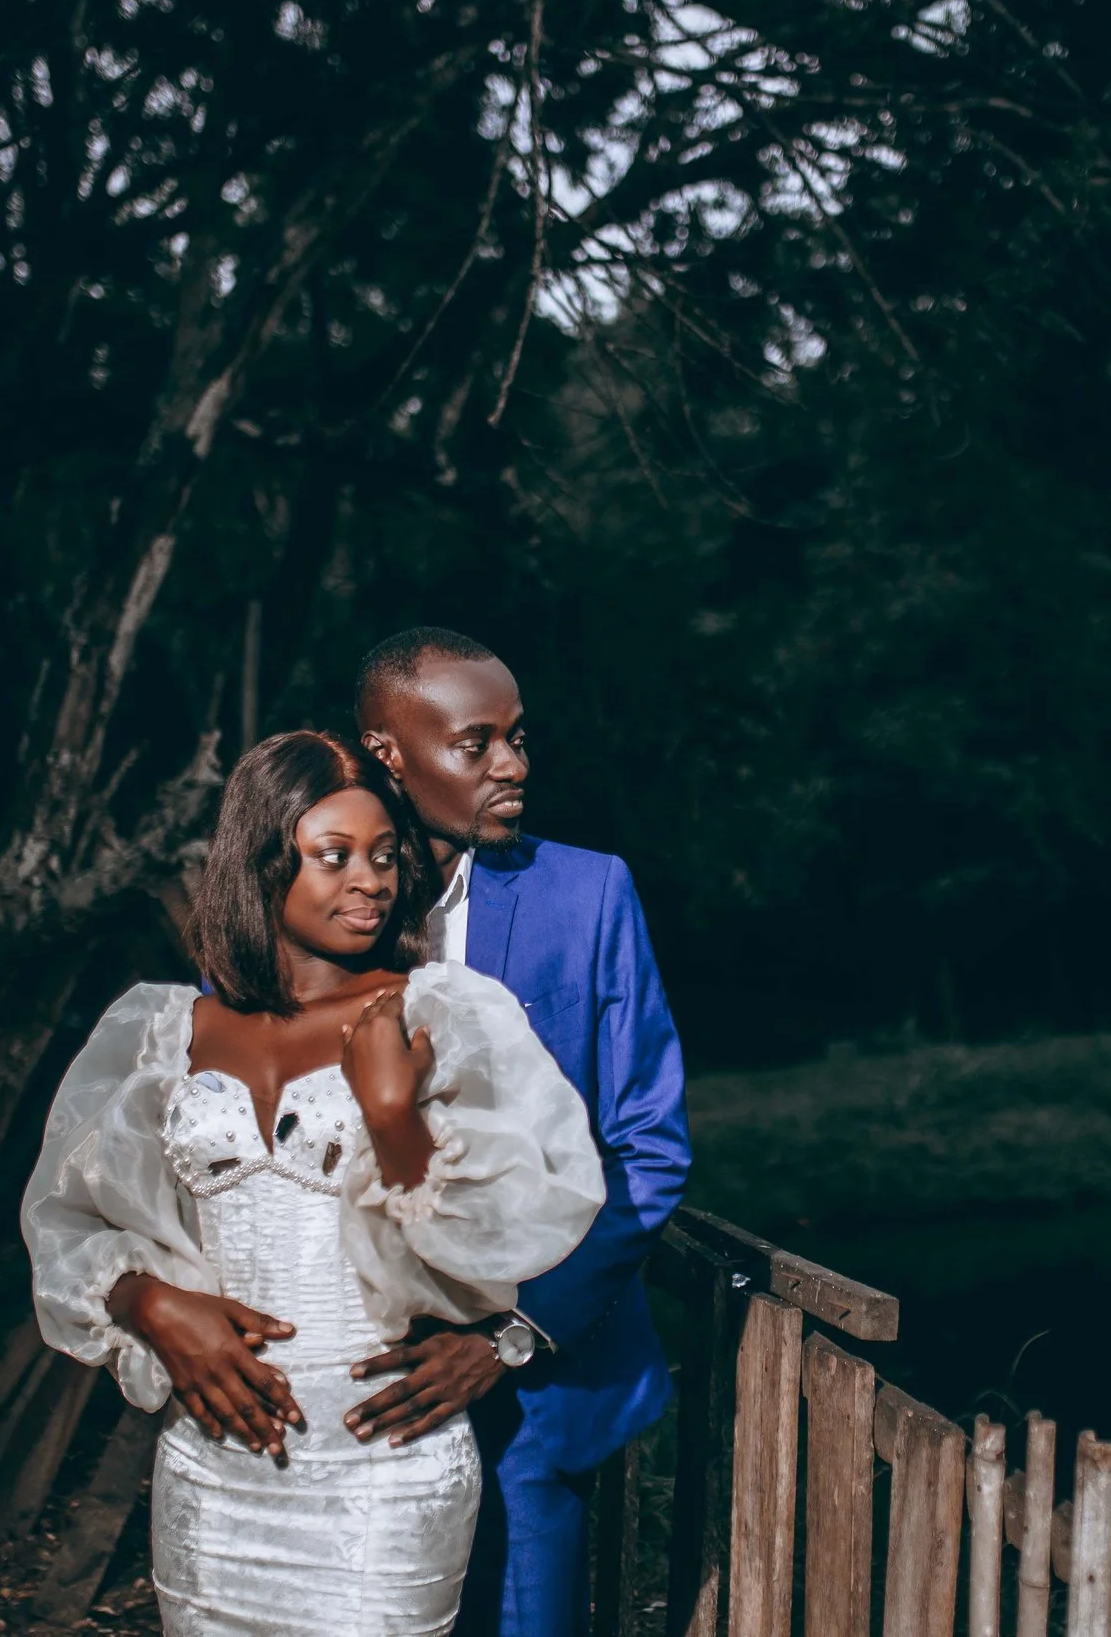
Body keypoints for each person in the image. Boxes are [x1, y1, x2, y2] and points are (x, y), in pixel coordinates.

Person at [21, 730, 604, 1636]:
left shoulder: (441, 1013)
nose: (370, 879)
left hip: (385, 1476)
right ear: (263, 862)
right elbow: (68, 1214)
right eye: (335, 856)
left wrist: (390, 1113)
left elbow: (509, 1230)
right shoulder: (161, 1031)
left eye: (382, 855)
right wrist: (148, 1302)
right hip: (212, 1477)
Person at [349, 628, 692, 1637]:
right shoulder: (305, 897)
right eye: (476, 742)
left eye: (519, 738)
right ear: (388, 753)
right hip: (352, 1383)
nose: (512, 766)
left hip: (537, 1391)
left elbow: (649, 1146)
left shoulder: (589, 894)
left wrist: (513, 1333)